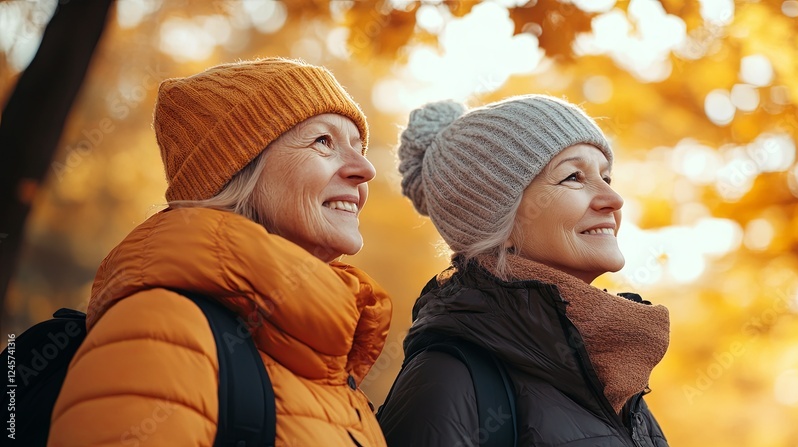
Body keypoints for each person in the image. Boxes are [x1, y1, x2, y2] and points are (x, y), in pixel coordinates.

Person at [48, 58, 391, 446]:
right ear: (241, 172)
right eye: (323, 141)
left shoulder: (328, 364)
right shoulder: (163, 328)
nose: (365, 168)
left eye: (359, 147)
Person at [378, 95, 671, 446]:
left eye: (606, 175)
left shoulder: (615, 385)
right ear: (496, 220)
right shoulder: (447, 380)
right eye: (573, 177)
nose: (613, 198)